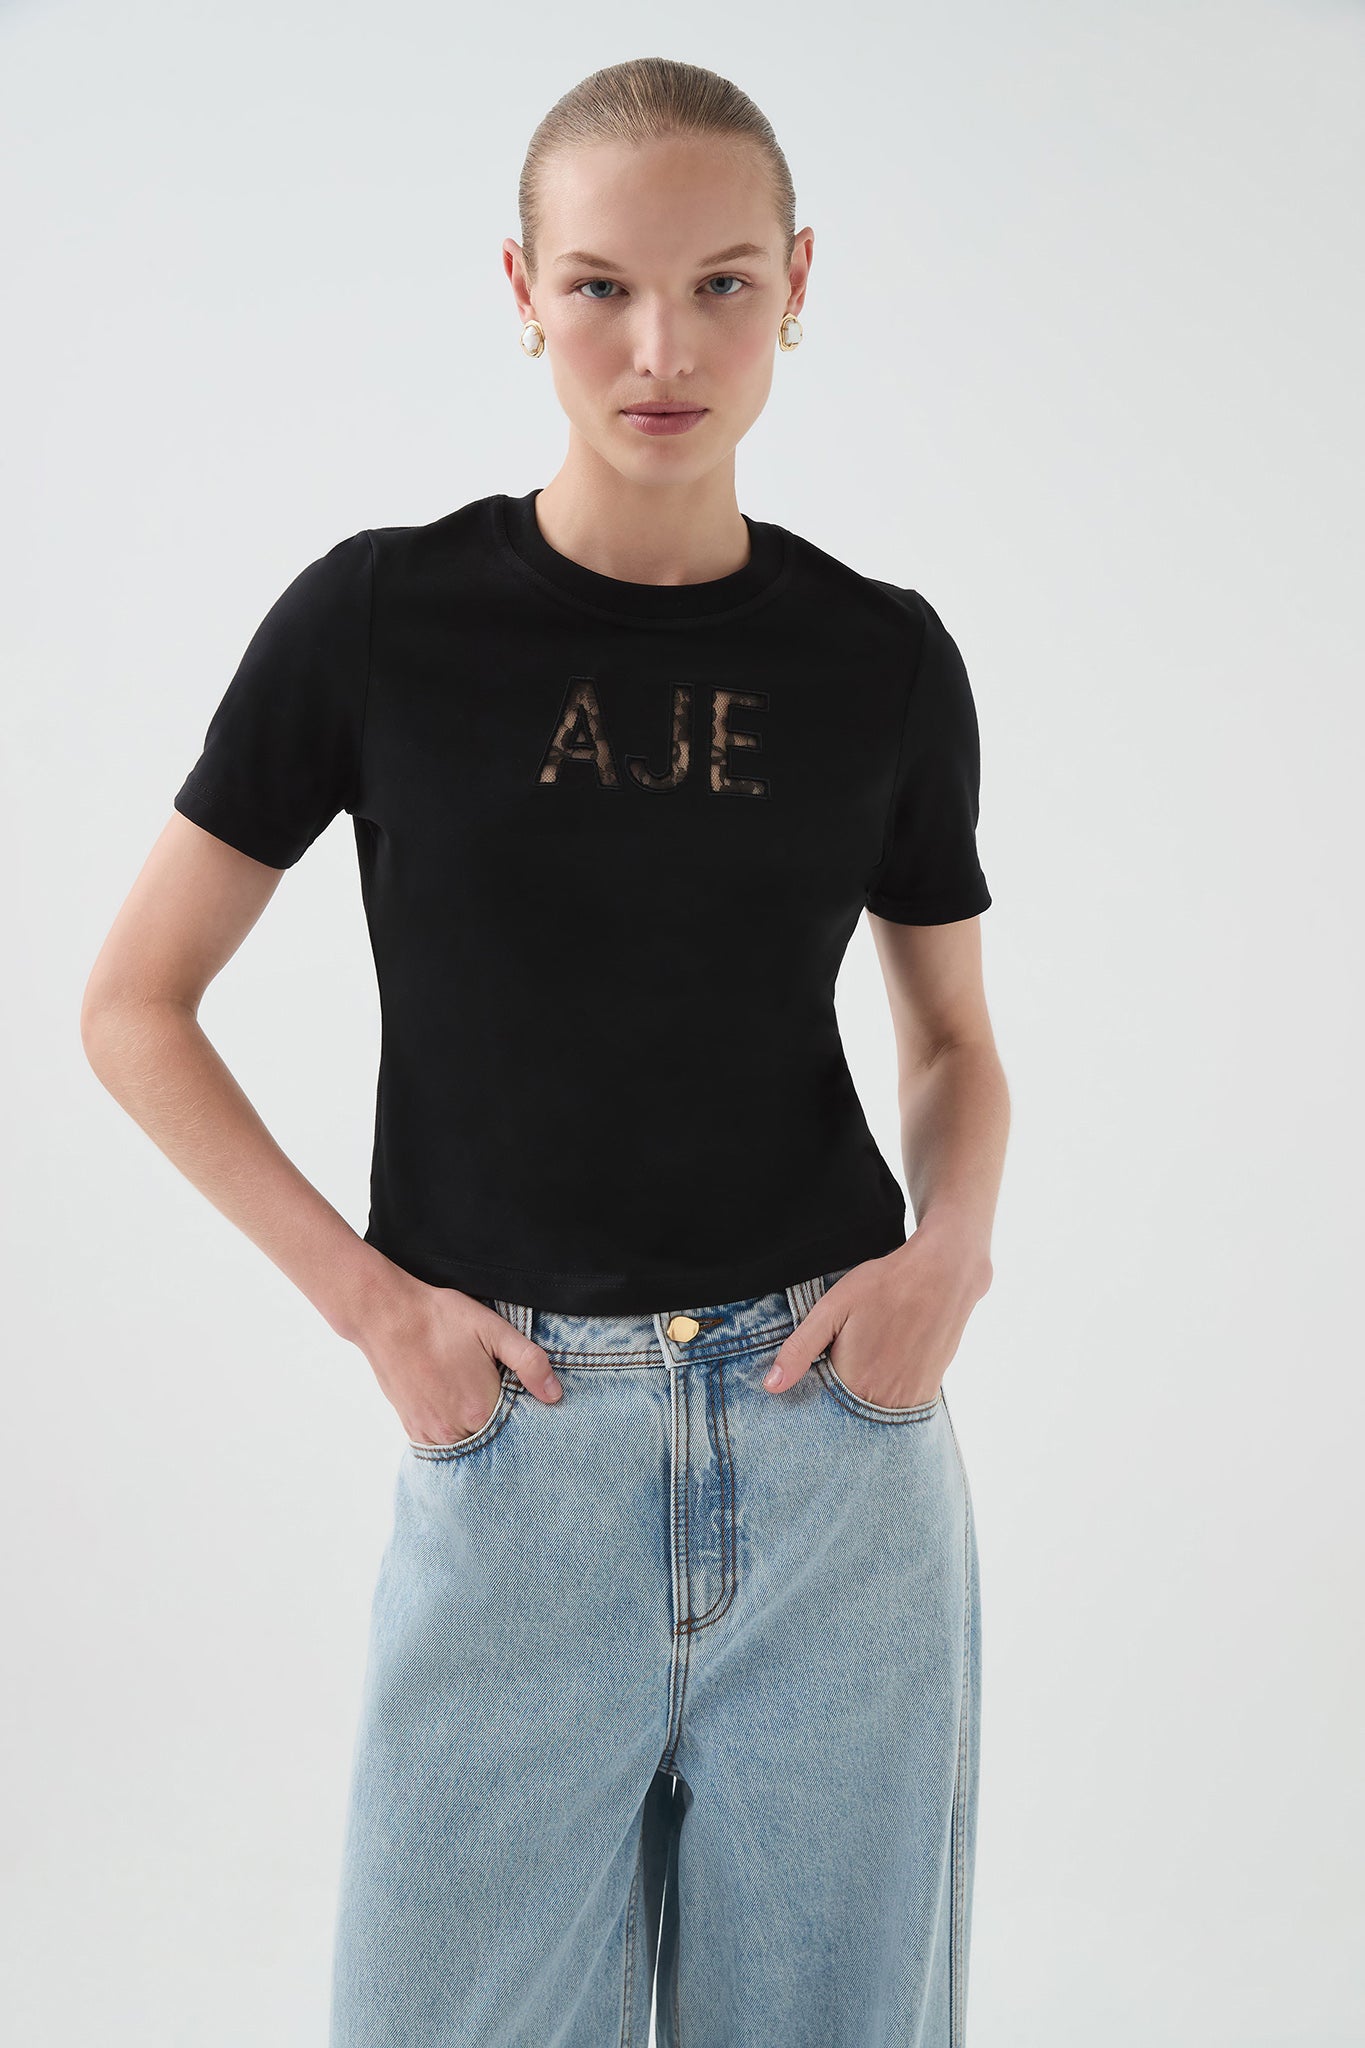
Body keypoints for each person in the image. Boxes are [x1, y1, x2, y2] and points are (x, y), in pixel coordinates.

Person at [80, 53, 1010, 2048]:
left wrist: (951, 1252)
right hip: (513, 1451)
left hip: (834, 1454)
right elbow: (132, 1004)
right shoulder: (378, 620)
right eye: (599, 285)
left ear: (797, 283)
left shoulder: (879, 659)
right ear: (518, 290)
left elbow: (947, 1036)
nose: (659, 347)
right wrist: (371, 1307)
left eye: (721, 283)